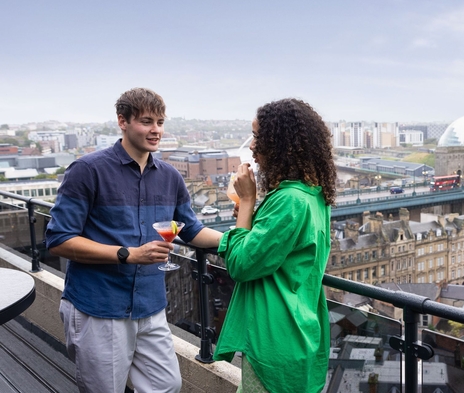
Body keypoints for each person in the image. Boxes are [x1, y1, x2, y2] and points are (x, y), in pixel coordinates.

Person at [46, 87, 223, 392]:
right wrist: (128, 254)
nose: (156, 130)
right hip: (99, 306)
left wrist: (242, 241)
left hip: (150, 305)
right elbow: (59, 239)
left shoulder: (170, 177)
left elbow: (191, 230)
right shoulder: (88, 171)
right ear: (122, 121)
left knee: (166, 385)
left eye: (160, 122)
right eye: (146, 121)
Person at [213, 98, 336, 393]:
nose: (252, 145)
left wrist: (246, 202)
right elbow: (281, 251)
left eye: (257, 136)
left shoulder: (288, 201)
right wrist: (253, 217)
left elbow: (241, 265)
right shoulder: (313, 195)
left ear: (279, 142)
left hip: (275, 338)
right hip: (299, 331)